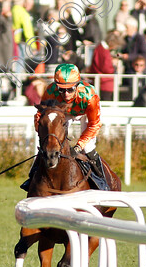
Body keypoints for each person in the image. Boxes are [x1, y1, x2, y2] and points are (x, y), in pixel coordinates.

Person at [20, 63, 109, 192]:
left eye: (70, 89)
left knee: (88, 147)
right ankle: (32, 177)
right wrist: (44, 135)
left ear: (77, 85)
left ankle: (102, 182)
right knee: (50, 145)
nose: (66, 94)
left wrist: (78, 146)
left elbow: (94, 124)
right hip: (62, 113)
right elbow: (41, 114)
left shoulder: (90, 96)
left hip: (84, 114)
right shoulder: (50, 91)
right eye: (61, 90)